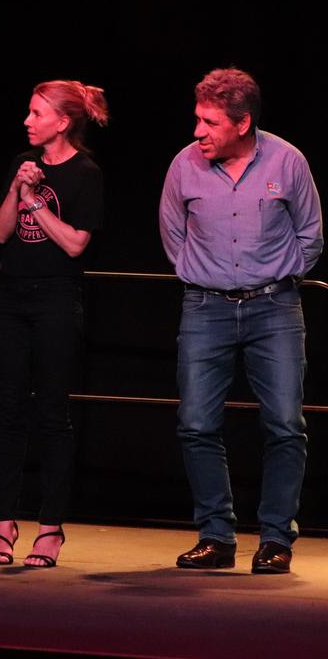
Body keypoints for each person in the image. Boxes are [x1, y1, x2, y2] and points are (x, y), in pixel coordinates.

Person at [160, 68, 322, 574]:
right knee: (195, 424)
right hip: (204, 308)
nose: (198, 131)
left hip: (274, 308)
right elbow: (172, 233)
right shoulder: (184, 165)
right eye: (197, 119)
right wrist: (199, 274)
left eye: (209, 122)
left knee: (284, 425)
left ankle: (276, 539)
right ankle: (216, 536)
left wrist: (275, 275)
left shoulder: (287, 160)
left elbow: (310, 234)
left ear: (242, 122)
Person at [0, 80, 106, 567]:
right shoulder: (21, 163)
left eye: (37, 113)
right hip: (10, 296)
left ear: (62, 121)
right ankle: (2, 523)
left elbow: (76, 244)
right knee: (8, 409)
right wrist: (19, 188)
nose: (27, 120)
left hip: (57, 298)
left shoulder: (86, 173)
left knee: (53, 412)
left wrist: (36, 199)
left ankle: (51, 527)